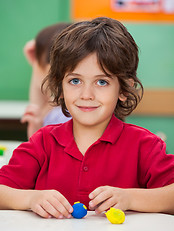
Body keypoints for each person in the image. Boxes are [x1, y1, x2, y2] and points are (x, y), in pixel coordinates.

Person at [0, 17, 174, 219]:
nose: (86, 95)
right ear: (60, 86)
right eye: (75, 80)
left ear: (123, 89)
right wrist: (30, 199)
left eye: (101, 82)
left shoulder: (145, 145)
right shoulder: (42, 142)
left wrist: (130, 198)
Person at [21, 23, 71, 139]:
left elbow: (45, 156)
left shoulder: (61, 116)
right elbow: (38, 102)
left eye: (37, 62)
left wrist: (36, 134)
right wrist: (37, 63)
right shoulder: (56, 107)